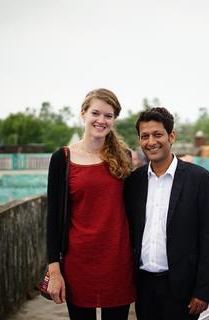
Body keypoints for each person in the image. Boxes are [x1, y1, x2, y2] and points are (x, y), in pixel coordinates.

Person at [46, 88, 135, 320]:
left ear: (114, 120)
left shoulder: (124, 156)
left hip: (118, 261)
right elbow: (53, 218)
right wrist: (54, 269)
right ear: (83, 114)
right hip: (78, 264)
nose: (101, 120)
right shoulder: (62, 159)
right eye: (96, 113)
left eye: (109, 115)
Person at [124, 107, 209, 320]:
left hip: (182, 290)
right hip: (144, 288)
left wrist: (203, 291)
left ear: (171, 136)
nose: (151, 142)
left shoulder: (199, 179)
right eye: (145, 136)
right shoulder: (133, 182)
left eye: (158, 134)